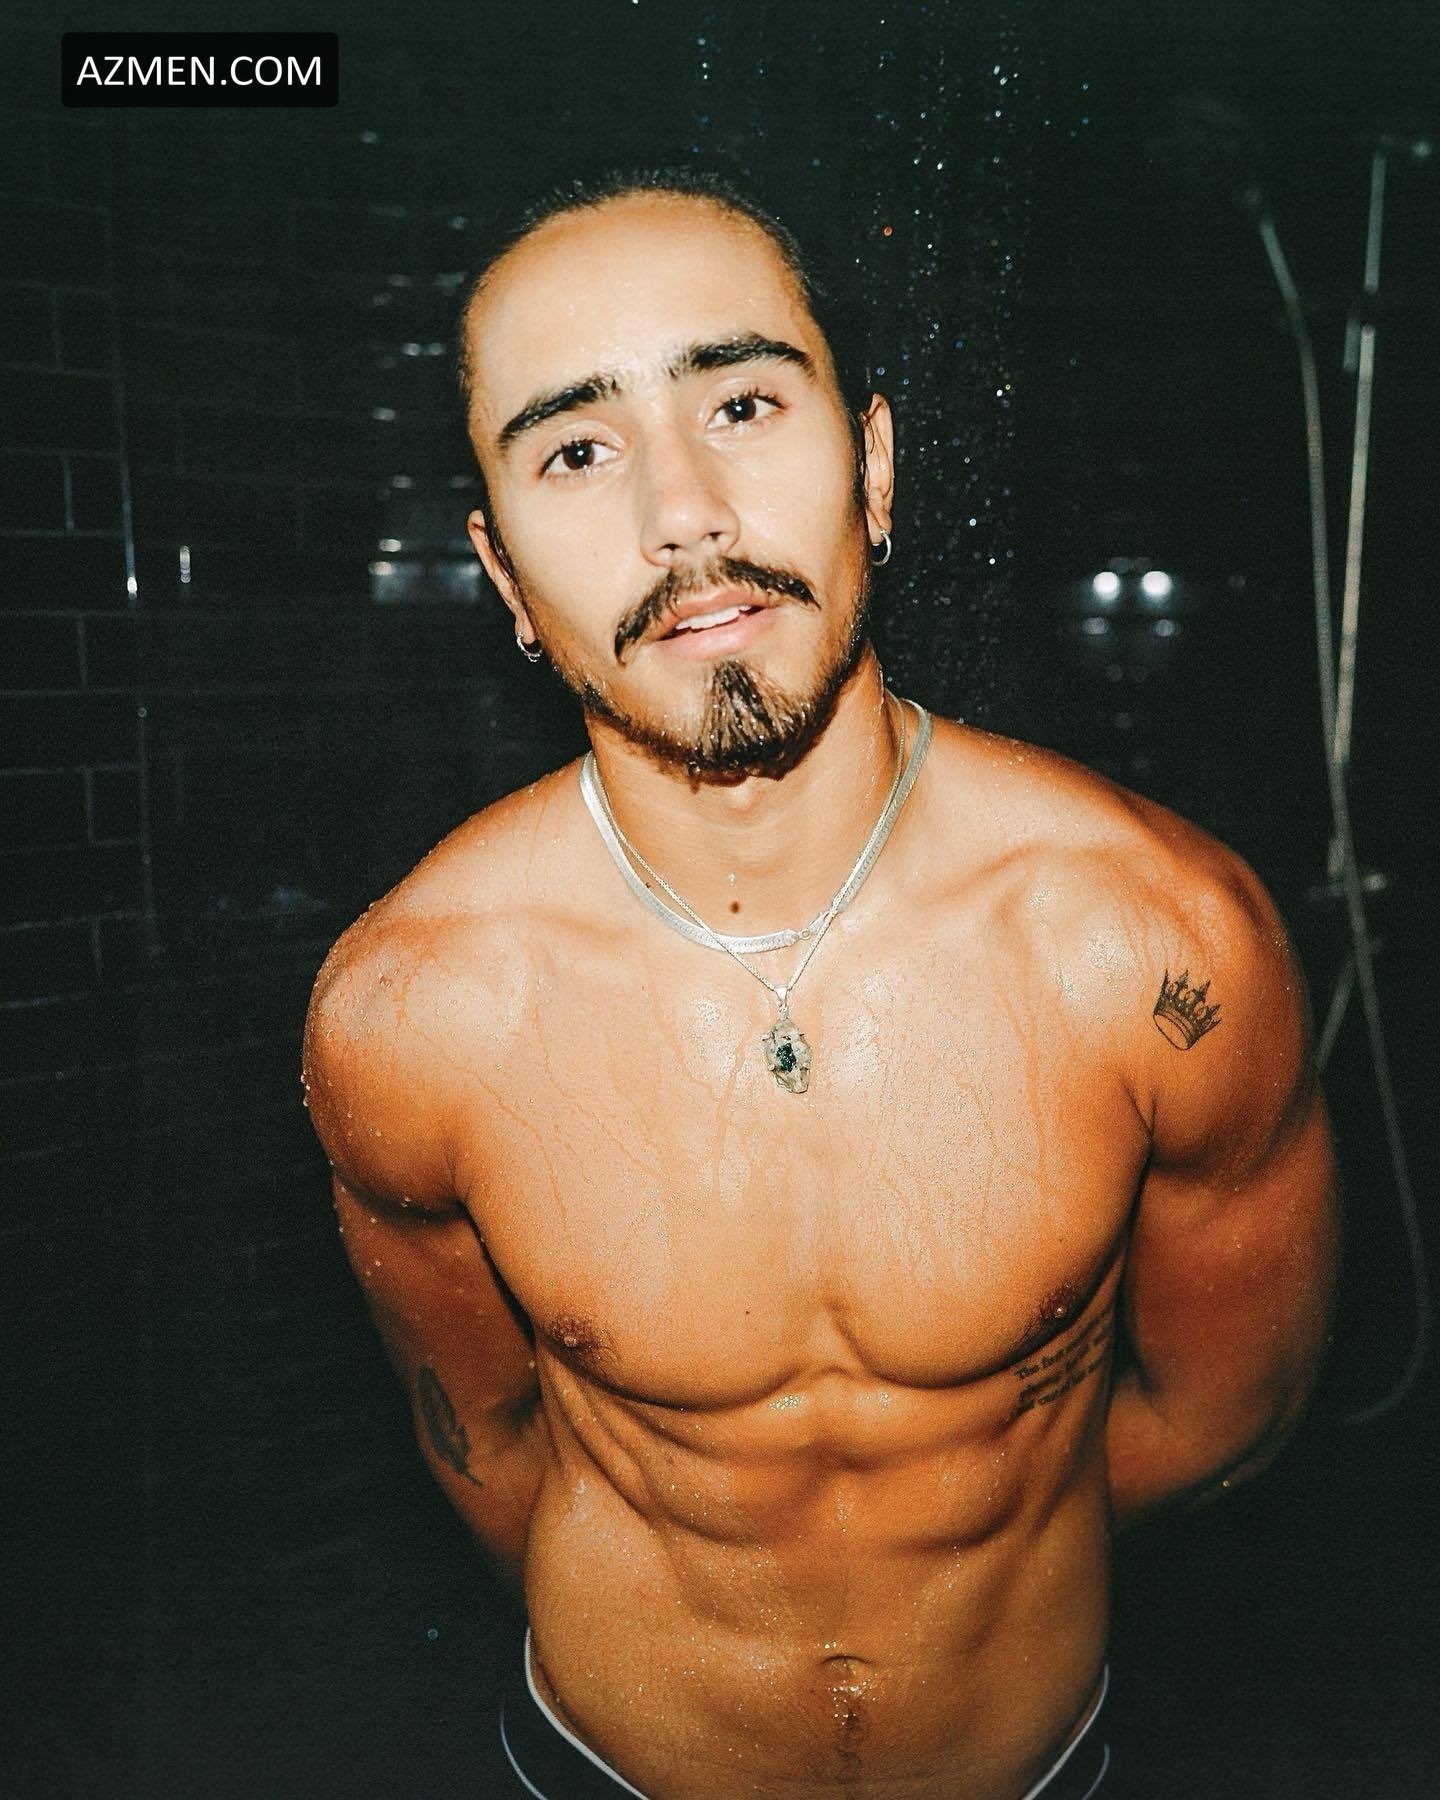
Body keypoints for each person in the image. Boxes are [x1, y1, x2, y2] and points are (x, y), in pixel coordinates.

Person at [302, 168, 1338, 1799]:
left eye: (741, 404)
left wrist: (967, 1588)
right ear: (502, 579)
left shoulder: (1154, 945)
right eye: (578, 449)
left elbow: (1232, 1414)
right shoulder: (414, 1015)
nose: (685, 512)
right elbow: (482, 1446)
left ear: (874, 466)